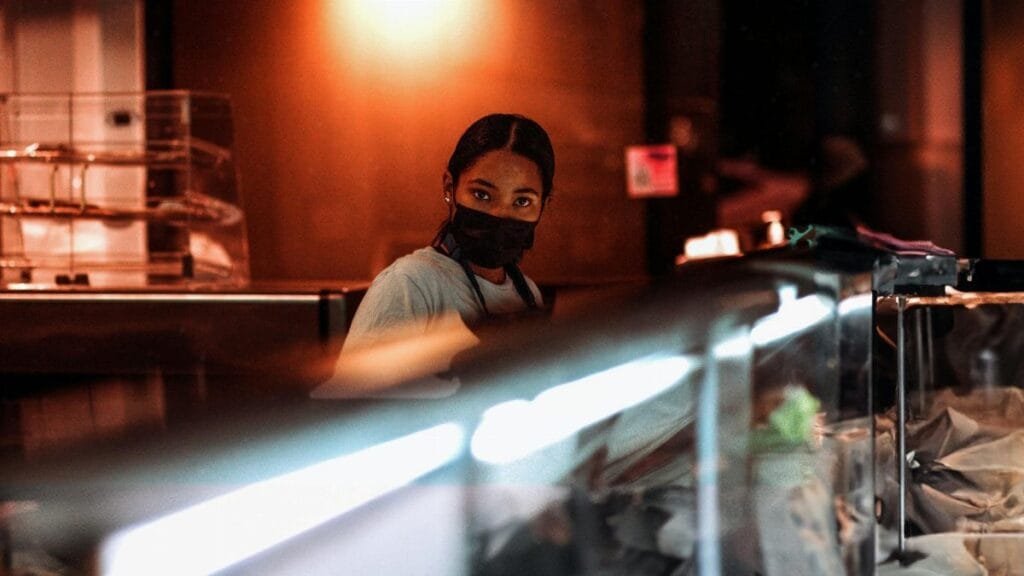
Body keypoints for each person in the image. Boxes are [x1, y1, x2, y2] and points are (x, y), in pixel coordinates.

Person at [342, 113, 555, 353]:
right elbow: (358, 390)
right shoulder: (411, 284)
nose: (499, 214)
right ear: (449, 187)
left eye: (522, 201)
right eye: (481, 195)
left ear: (544, 206)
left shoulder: (528, 293)